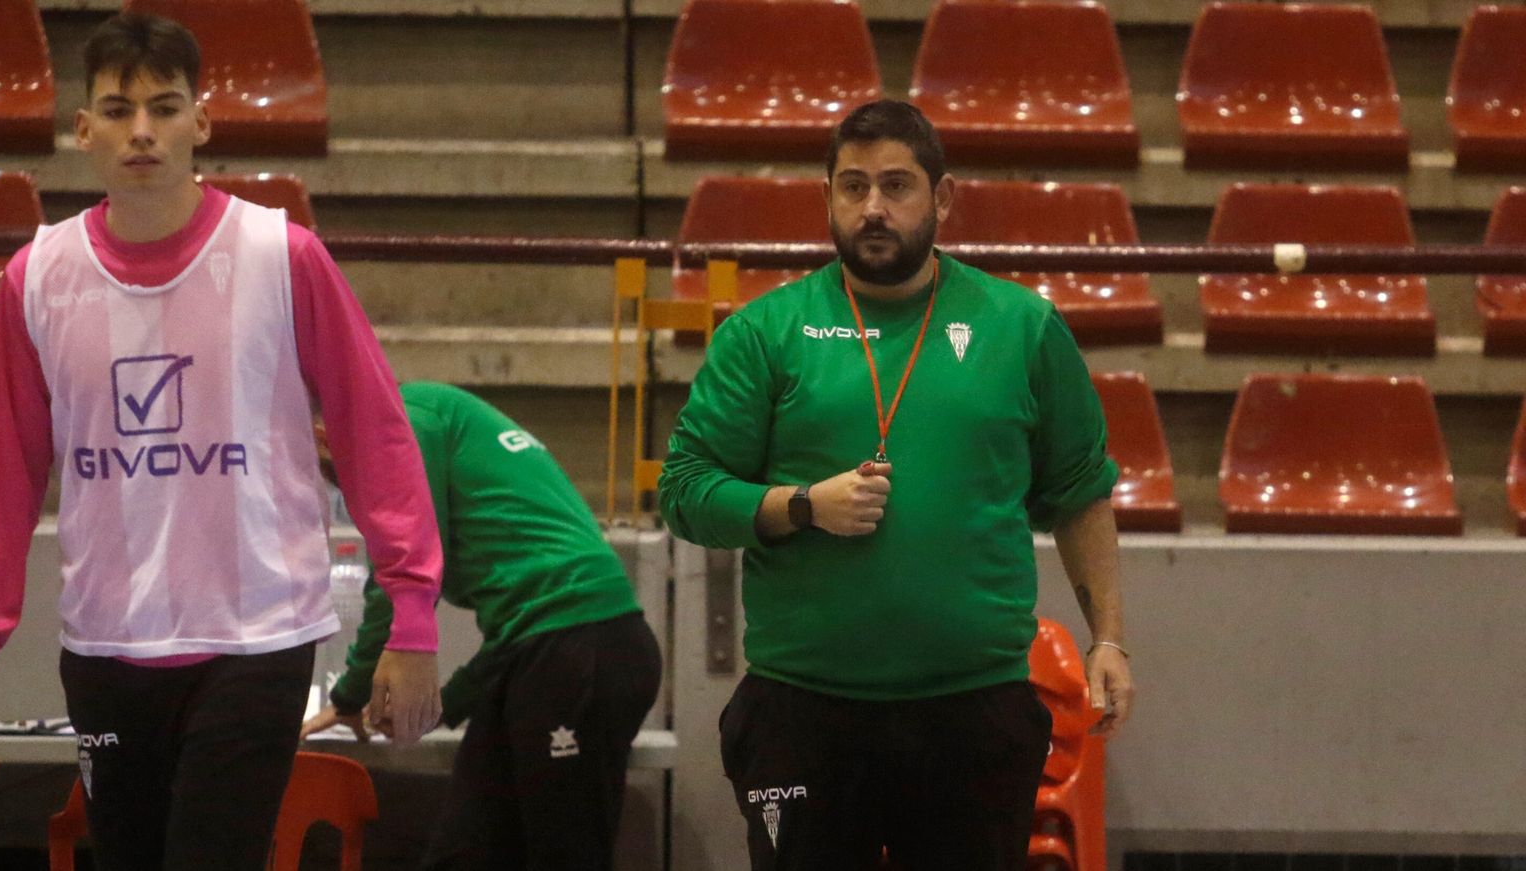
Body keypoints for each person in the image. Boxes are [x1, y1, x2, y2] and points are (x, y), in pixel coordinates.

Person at [0, 13, 443, 870]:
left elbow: (375, 434)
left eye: (164, 108)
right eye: (118, 109)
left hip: (256, 639)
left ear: (200, 123)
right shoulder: (37, 278)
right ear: (81, 129)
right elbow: (1, 479)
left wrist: (413, 619)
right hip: (105, 645)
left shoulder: (284, 255)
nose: (141, 130)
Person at [658, 99, 1135, 869]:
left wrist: (1107, 635)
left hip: (972, 710)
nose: (872, 207)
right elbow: (684, 491)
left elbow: (1080, 491)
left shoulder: (1022, 327)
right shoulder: (764, 332)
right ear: (828, 198)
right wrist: (804, 505)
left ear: (942, 198)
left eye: (895, 185)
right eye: (852, 187)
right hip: (804, 708)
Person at [302, 381, 662, 871]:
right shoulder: (437, 413)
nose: (357, 500)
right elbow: (520, 636)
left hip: (582, 649)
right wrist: (442, 705)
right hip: (554, 650)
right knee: (466, 851)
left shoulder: (408, 421)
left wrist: (351, 693)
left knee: (563, 854)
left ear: (324, 436)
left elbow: (401, 568)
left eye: (343, 480)